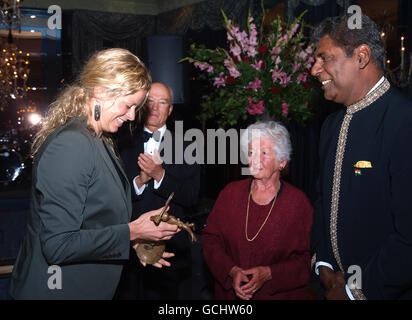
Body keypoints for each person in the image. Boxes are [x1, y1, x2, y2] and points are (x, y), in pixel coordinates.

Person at [8, 48, 180, 300]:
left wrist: (132, 240)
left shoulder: (98, 139)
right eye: (128, 105)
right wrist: (133, 231)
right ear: (101, 91)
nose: (132, 116)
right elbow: (58, 245)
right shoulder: (72, 144)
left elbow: (92, 221)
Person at [311, 13, 412, 300]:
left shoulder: (404, 122)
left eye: (324, 58)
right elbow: (322, 198)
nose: (314, 69)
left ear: (361, 56)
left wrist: (355, 291)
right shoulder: (331, 125)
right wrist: (324, 264)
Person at [202, 121, 313, 300]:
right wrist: (231, 270)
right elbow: (210, 240)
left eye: (264, 153)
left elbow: (306, 261)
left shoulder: (298, 204)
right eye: (252, 152)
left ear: (282, 162)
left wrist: (270, 273)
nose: (255, 159)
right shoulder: (230, 193)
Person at [116, 82, 200, 299]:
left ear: (170, 110)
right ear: (142, 105)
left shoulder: (188, 145)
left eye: (162, 102)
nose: (155, 107)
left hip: (170, 250)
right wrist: (139, 181)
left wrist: (159, 175)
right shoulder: (121, 141)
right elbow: (112, 197)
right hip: (129, 250)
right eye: (150, 101)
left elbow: (191, 197)